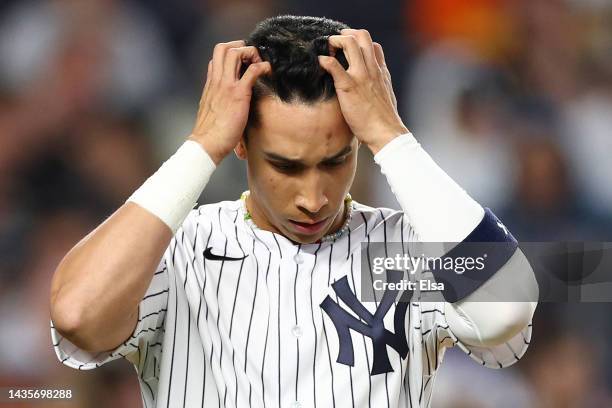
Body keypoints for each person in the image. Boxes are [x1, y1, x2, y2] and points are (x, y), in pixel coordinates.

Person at [49, 15, 538, 408]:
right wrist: (201, 146)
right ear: (240, 144)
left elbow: (506, 310)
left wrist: (392, 136)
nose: (313, 197)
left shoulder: (407, 254)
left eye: (335, 160)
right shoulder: (180, 247)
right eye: (286, 165)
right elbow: (78, 316)